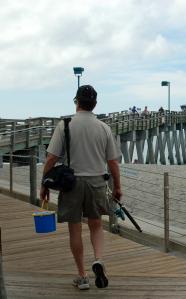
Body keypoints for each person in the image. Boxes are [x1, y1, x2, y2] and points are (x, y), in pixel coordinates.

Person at [40, 85, 122, 290]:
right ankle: (99, 259)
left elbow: (51, 158)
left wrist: (44, 184)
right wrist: (118, 187)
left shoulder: (65, 125)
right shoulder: (103, 128)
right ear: (95, 104)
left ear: (76, 102)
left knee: (74, 228)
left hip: (72, 182)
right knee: (96, 225)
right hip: (97, 182)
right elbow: (112, 162)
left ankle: (82, 276)